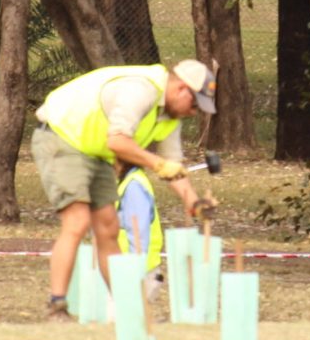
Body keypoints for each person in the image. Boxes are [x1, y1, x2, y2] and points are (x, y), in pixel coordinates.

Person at [33, 59, 216, 319]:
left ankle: (128, 308)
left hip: (95, 152)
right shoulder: (141, 91)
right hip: (63, 136)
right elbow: (118, 141)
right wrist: (157, 163)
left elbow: (173, 167)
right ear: (181, 89)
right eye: (195, 104)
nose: (193, 112)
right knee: (78, 220)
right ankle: (57, 305)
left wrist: (195, 203)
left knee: (108, 227)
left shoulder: (169, 117)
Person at [114, 162, 165, 303]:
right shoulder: (125, 182)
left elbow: (139, 233)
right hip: (127, 269)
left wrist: (134, 273)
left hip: (136, 272)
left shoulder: (134, 186)